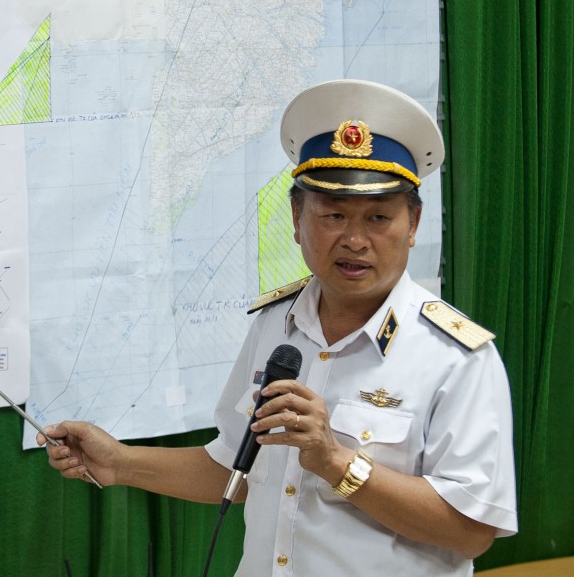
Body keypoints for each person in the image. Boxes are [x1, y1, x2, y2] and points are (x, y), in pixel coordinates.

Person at [38, 79, 518, 576]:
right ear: (296, 216)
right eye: (333, 215)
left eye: (378, 218)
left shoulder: (457, 358)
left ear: (413, 225)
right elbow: (240, 467)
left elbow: (472, 531)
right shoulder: (276, 325)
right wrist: (118, 462)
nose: (355, 240)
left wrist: (336, 461)